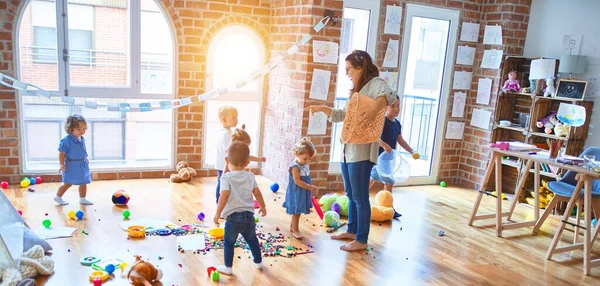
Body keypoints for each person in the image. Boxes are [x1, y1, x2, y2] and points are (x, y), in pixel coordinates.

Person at [308, 50, 396, 251]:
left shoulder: (375, 84)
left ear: (361, 67)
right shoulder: (357, 90)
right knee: (350, 193)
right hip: (348, 149)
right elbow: (342, 115)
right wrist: (324, 108)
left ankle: (361, 239)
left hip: (362, 151)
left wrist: (374, 110)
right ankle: (353, 230)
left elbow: (388, 95)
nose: (347, 73)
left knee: (360, 196)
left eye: (349, 69)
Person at [213, 141, 267, 275]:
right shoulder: (250, 176)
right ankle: (258, 262)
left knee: (229, 243)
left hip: (232, 218)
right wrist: (263, 206)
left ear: (226, 160)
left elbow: (224, 196)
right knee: (252, 239)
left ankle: (228, 267)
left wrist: (217, 213)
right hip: (249, 216)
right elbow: (257, 192)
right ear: (247, 162)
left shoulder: (226, 177)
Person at [369, 95, 419, 193]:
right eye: (393, 106)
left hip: (389, 159)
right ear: (385, 107)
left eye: (398, 105)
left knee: (375, 177)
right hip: (379, 158)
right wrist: (383, 145)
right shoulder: (382, 121)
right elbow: (374, 137)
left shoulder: (397, 124)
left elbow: (400, 140)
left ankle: (360, 198)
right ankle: (387, 204)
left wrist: (411, 151)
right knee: (389, 181)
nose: (396, 109)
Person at [282, 138, 318, 239]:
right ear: (297, 154)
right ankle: (296, 230)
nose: (307, 161)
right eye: (305, 158)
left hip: (302, 191)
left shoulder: (304, 163)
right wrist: (310, 187)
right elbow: (297, 181)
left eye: (309, 159)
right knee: (296, 212)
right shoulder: (295, 167)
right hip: (296, 192)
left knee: (298, 211)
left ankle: (292, 226)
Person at [54, 114, 93, 206]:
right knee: (68, 182)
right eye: (79, 129)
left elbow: (81, 150)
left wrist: (85, 158)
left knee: (84, 181)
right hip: (71, 165)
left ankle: (82, 198)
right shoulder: (67, 140)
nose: (82, 131)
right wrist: (61, 164)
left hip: (81, 164)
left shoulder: (81, 138)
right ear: (71, 129)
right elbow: (62, 153)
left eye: (84, 129)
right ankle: (58, 196)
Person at [215, 105, 238, 203]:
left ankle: (225, 202)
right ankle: (219, 202)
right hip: (223, 165)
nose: (236, 119)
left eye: (236, 117)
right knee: (222, 183)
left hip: (225, 164)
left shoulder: (228, 131)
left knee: (224, 183)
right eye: (233, 117)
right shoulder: (225, 134)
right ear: (224, 119)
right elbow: (227, 149)